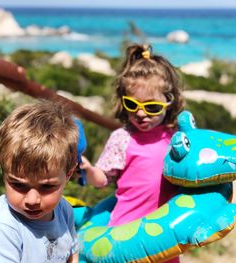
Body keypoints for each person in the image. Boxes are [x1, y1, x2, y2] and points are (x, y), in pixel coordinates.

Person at [81, 44, 184, 262]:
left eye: (152, 107)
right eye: (132, 104)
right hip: (126, 231)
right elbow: (102, 179)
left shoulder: (176, 137)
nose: (140, 113)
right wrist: (90, 170)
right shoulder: (122, 137)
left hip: (164, 234)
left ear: (169, 101)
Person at [0, 101, 79, 263]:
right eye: (19, 185)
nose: (32, 200)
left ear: (68, 175)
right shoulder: (3, 227)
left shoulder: (64, 210)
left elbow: (72, 252)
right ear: (4, 173)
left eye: (47, 186)